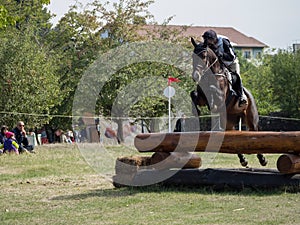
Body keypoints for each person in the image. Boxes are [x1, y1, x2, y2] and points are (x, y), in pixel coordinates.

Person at [202, 29, 247, 107]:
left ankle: (241, 96)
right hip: (220, 64)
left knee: (237, 76)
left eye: (208, 40)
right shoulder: (209, 44)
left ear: (213, 39)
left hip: (231, 63)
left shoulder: (224, 42)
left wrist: (221, 54)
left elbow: (231, 56)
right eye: (205, 39)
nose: (206, 42)